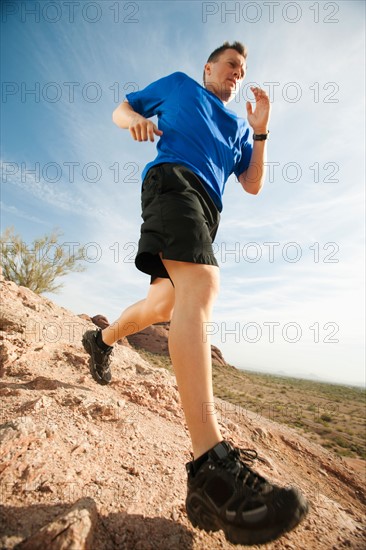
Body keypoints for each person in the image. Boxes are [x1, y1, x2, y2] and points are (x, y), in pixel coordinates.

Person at [82, 41, 309, 545]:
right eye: (230, 65)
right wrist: (133, 122)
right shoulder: (181, 86)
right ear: (208, 67)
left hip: (207, 210)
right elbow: (124, 107)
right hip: (171, 182)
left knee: (164, 304)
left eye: (242, 70)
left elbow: (251, 183)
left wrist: (261, 130)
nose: (236, 74)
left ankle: (101, 341)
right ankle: (211, 467)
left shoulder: (234, 127)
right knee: (203, 284)